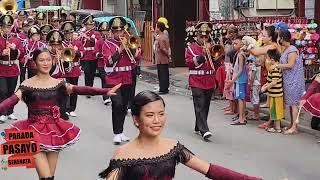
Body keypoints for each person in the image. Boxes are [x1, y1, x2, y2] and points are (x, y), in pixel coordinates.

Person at [0, 48, 121, 180]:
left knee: (50, 176)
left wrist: (104, 91)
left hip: (54, 132)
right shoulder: (27, 84)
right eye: (41, 60)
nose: (46, 63)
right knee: (46, 177)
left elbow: (79, 89)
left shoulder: (58, 83)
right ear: (35, 62)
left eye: (48, 60)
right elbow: (11, 101)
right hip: (33, 133)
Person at [98, 90, 262, 180]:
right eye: (149, 115)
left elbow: (211, 170)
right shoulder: (124, 155)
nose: (157, 120)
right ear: (136, 120)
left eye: (161, 114)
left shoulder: (172, 147)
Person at [104, 17, 141, 144]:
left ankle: (121, 132)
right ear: (112, 32)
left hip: (127, 79)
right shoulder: (107, 44)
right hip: (113, 79)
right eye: (116, 32)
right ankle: (116, 133)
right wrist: (120, 50)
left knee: (124, 106)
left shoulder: (128, 41)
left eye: (120, 31)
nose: (118, 34)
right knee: (117, 104)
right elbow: (108, 62)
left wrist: (131, 47)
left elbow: (137, 57)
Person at [185, 22, 215, 140]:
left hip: (209, 80)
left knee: (206, 105)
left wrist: (213, 56)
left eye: (206, 36)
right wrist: (202, 56)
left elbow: (216, 64)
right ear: (197, 36)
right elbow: (190, 63)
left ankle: (199, 126)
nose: (203, 39)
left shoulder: (212, 47)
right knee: (200, 104)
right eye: (201, 36)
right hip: (196, 80)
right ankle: (204, 130)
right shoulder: (191, 48)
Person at [276, 30, 305, 135]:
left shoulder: (292, 50)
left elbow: (290, 65)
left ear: (282, 38)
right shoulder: (287, 49)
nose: (278, 39)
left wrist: (277, 66)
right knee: (291, 104)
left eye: (279, 37)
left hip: (294, 81)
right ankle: (292, 125)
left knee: (294, 104)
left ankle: (294, 127)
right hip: (289, 80)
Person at [0, 14, 25, 123]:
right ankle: (2, 112)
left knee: (11, 92)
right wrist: (1, 53)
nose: (7, 29)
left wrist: (15, 50)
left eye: (9, 26)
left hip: (13, 69)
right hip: (1, 68)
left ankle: (10, 112)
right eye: (5, 27)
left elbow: (22, 53)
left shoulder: (16, 39)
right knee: (2, 91)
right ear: (1, 27)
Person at [61, 21, 84, 117]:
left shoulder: (77, 43)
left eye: (70, 33)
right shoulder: (61, 43)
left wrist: (76, 51)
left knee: (74, 89)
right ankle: (65, 108)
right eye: (67, 33)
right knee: (66, 89)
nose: (69, 35)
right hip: (66, 69)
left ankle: (72, 108)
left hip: (74, 68)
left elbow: (82, 55)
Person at [261, 49, 284, 133]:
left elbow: (274, 82)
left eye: (267, 58)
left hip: (276, 94)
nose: (266, 60)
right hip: (275, 94)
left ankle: (277, 128)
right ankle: (277, 127)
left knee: (275, 111)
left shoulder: (275, 69)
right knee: (275, 110)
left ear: (272, 60)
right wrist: (266, 85)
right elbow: (271, 81)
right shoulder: (275, 67)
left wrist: (265, 88)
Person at [79, 15, 101, 97]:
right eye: (88, 25)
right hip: (85, 56)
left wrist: (88, 38)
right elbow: (79, 44)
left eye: (91, 24)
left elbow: (98, 42)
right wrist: (81, 36)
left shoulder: (96, 33)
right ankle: (87, 90)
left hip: (93, 56)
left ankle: (90, 89)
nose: (90, 26)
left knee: (92, 73)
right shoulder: (82, 33)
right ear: (85, 25)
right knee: (87, 72)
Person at [228, 35, 247, 125]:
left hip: (239, 80)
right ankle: (242, 117)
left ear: (241, 44)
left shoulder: (240, 55)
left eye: (236, 43)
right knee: (241, 99)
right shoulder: (240, 54)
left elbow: (240, 70)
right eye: (233, 44)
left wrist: (232, 80)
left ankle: (241, 119)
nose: (234, 45)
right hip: (240, 80)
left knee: (240, 99)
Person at [95, 21, 112, 105]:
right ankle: (105, 97)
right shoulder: (99, 42)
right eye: (103, 31)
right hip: (101, 64)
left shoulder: (111, 41)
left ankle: (110, 94)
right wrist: (104, 55)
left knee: (110, 81)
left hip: (111, 65)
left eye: (107, 31)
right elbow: (96, 53)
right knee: (104, 80)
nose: (105, 33)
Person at [154, 18, 171, 95]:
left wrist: (167, 54)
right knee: (165, 73)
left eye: (156, 27)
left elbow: (162, 48)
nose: (155, 29)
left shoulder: (161, 37)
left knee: (162, 74)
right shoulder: (164, 36)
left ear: (159, 28)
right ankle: (165, 88)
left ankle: (163, 89)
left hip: (161, 58)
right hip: (164, 58)